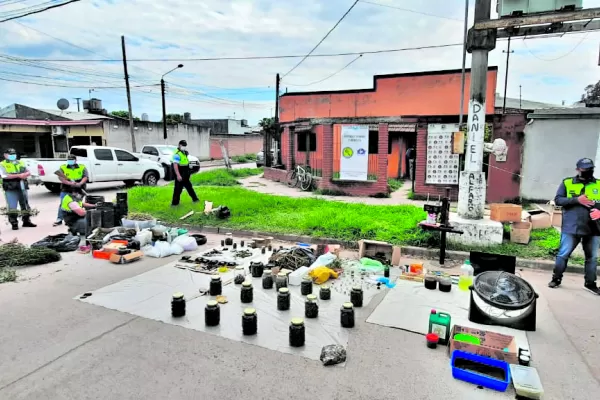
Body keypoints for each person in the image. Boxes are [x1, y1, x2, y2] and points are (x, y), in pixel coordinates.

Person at [549, 158, 600, 295]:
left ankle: (590, 283)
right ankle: (556, 279)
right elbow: (558, 200)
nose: (587, 171)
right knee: (563, 254)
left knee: (592, 258)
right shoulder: (567, 182)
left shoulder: (599, 184)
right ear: (578, 169)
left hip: (593, 228)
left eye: (590, 168)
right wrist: (577, 200)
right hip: (572, 227)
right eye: (584, 168)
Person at [0, 148, 36, 230]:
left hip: (22, 185)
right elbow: (4, 175)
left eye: (14, 154)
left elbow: (28, 171)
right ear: (5, 155)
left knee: (25, 204)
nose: (13, 156)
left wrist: (25, 174)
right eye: (10, 154)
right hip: (10, 186)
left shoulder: (20, 162)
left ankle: (26, 221)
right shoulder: (2, 164)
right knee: (12, 206)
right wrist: (18, 176)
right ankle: (14, 223)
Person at [53, 154, 88, 226]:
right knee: (63, 203)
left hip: (79, 188)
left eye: (72, 160)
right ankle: (59, 219)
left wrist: (80, 183)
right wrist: (69, 183)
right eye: (69, 160)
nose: (70, 161)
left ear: (75, 160)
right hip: (66, 188)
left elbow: (85, 177)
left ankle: (77, 217)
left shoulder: (82, 167)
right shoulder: (63, 167)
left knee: (78, 203)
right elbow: (61, 178)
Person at [171, 140, 199, 206]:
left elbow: (185, 162)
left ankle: (195, 199)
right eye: (183, 146)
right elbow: (175, 165)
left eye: (185, 146)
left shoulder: (184, 152)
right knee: (178, 188)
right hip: (180, 172)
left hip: (185, 172)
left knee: (189, 187)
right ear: (179, 145)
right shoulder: (177, 154)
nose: (184, 147)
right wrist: (178, 175)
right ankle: (175, 204)